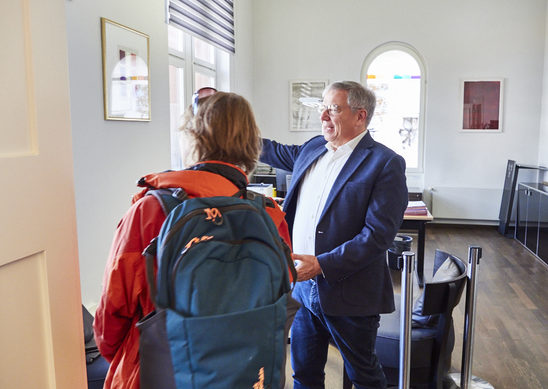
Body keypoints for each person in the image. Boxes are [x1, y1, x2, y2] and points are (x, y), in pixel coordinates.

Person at [93, 90, 292, 389]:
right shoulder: (269, 213)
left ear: (193, 138)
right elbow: (282, 291)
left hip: (159, 367)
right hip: (247, 370)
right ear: (252, 142)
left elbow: (114, 310)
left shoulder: (149, 210)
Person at [260, 81, 408, 388]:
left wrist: (323, 264)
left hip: (350, 293)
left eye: (334, 108)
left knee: (363, 376)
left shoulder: (385, 163)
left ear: (360, 116)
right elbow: (270, 150)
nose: (323, 116)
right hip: (302, 289)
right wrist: (229, 126)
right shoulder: (314, 148)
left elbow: (378, 235)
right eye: (322, 107)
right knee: (304, 375)